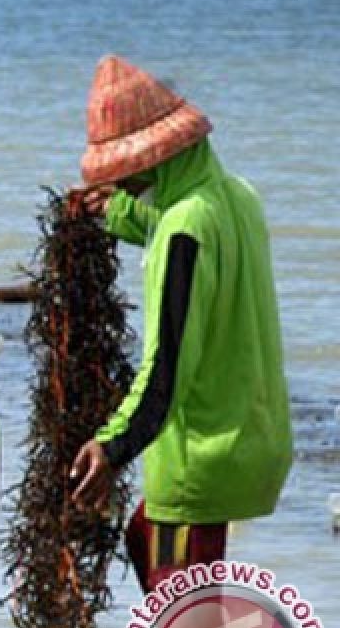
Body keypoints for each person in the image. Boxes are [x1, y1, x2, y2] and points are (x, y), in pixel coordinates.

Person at [68, 55, 292, 593]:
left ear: (151, 156)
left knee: (184, 625)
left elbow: (166, 364)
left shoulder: (182, 231)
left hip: (198, 460)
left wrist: (112, 445)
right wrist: (118, 214)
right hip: (251, 435)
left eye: (123, 169)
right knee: (146, 541)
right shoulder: (235, 196)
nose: (120, 177)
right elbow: (178, 229)